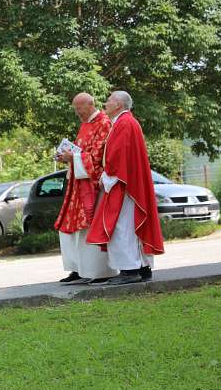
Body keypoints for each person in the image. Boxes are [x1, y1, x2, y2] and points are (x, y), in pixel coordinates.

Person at [86, 91, 164, 284]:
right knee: (131, 226)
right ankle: (143, 267)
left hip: (123, 184)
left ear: (119, 104)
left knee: (122, 227)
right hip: (130, 183)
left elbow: (118, 154)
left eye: (110, 100)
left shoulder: (124, 123)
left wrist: (108, 175)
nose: (105, 103)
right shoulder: (127, 122)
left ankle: (130, 270)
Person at [53, 93, 114, 285]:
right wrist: (67, 157)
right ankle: (79, 268)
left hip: (92, 185)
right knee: (71, 227)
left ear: (91, 104)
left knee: (89, 225)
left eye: (80, 108)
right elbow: (82, 152)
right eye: (75, 108)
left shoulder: (104, 123)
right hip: (78, 184)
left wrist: (74, 158)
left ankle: (99, 270)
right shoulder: (85, 124)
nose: (77, 112)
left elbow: (98, 157)